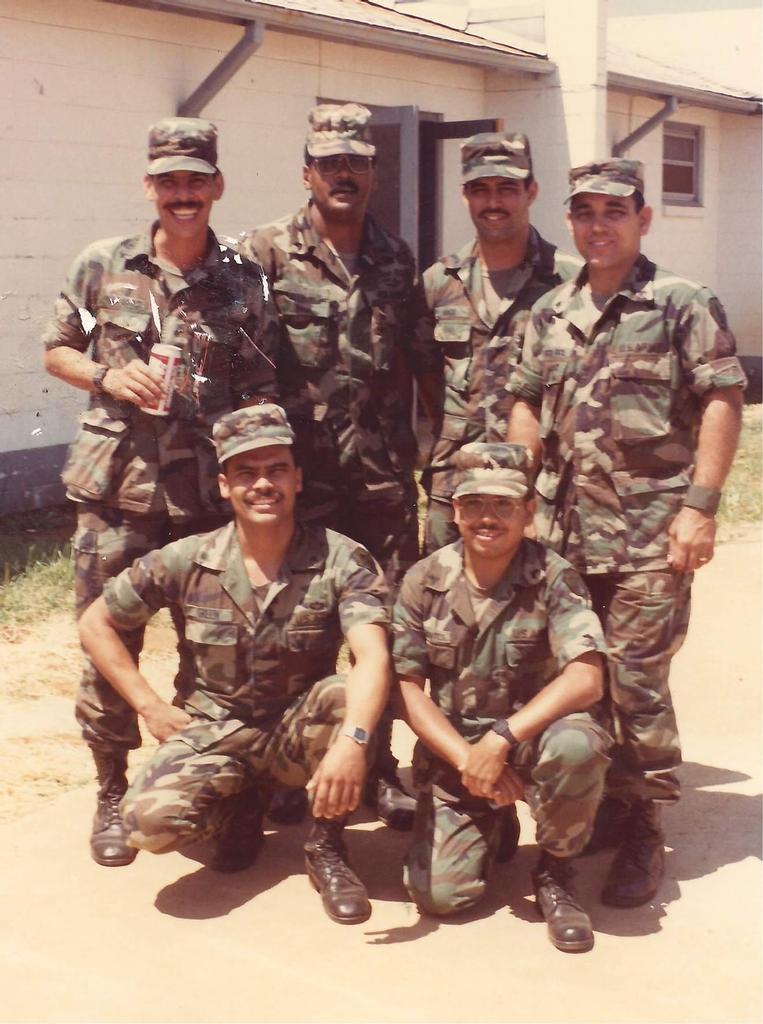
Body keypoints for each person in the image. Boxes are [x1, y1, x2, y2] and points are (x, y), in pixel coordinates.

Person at [507, 159, 746, 907]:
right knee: (574, 673)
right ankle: (602, 800)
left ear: (643, 218)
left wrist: (700, 506)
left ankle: (643, 821)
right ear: (570, 221)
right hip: (563, 535)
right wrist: (517, 492)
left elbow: (722, 399)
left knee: (637, 681)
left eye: (614, 211)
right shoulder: (549, 311)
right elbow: (525, 401)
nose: (598, 225)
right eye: (584, 212)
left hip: (649, 533)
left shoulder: (681, 302)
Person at [42, 117, 279, 868]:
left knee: (214, 656)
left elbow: (261, 381)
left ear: (217, 186)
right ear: (149, 187)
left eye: (195, 181)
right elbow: (57, 350)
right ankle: (113, 791)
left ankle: (207, 790)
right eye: (169, 181)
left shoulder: (243, 281)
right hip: (116, 493)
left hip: (205, 501)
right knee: (110, 645)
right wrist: (107, 376)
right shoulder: (103, 267)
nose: (183, 194)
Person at [78, 404, 391, 925]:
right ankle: (236, 809)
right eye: (246, 472)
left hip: (295, 731)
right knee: (147, 823)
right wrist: (150, 706)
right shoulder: (187, 557)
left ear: (297, 479)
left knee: (346, 695)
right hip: (213, 731)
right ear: (225, 486)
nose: (262, 484)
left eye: (276, 470)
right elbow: (96, 622)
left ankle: (327, 846)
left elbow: (374, 653)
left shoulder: (342, 558)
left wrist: (354, 742)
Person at [240, 103, 437, 828]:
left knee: (379, 627)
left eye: (356, 163)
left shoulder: (396, 259)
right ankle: (292, 768)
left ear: (374, 173)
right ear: (307, 174)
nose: (343, 175)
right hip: (299, 484)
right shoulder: (263, 253)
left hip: (380, 481)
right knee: (296, 627)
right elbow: (238, 364)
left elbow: (419, 362)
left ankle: (377, 767)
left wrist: (435, 450)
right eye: (330, 164)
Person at [393, 443, 611, 953]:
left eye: (503, 505)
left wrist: (501, 739)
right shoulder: (424, 581)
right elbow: (405, 690)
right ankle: (493, 820)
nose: (486, 518)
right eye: (473, 504)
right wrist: (469, 758)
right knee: (440, 897)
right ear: (454, 510)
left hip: (533, 742)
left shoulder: (554, 576)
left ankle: (556, 871)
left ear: (528, 510)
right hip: (458, 755)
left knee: (577, 745)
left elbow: (587, 678)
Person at [418, 132, 581, 555]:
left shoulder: (569, 282)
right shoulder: (439, 282)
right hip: (455, 484)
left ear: (532, 191)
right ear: (465, 196)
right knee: (444, 592)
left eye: (507, 188)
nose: (493, 202)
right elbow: (424, 375)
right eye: (480, 189)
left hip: (538, 488)